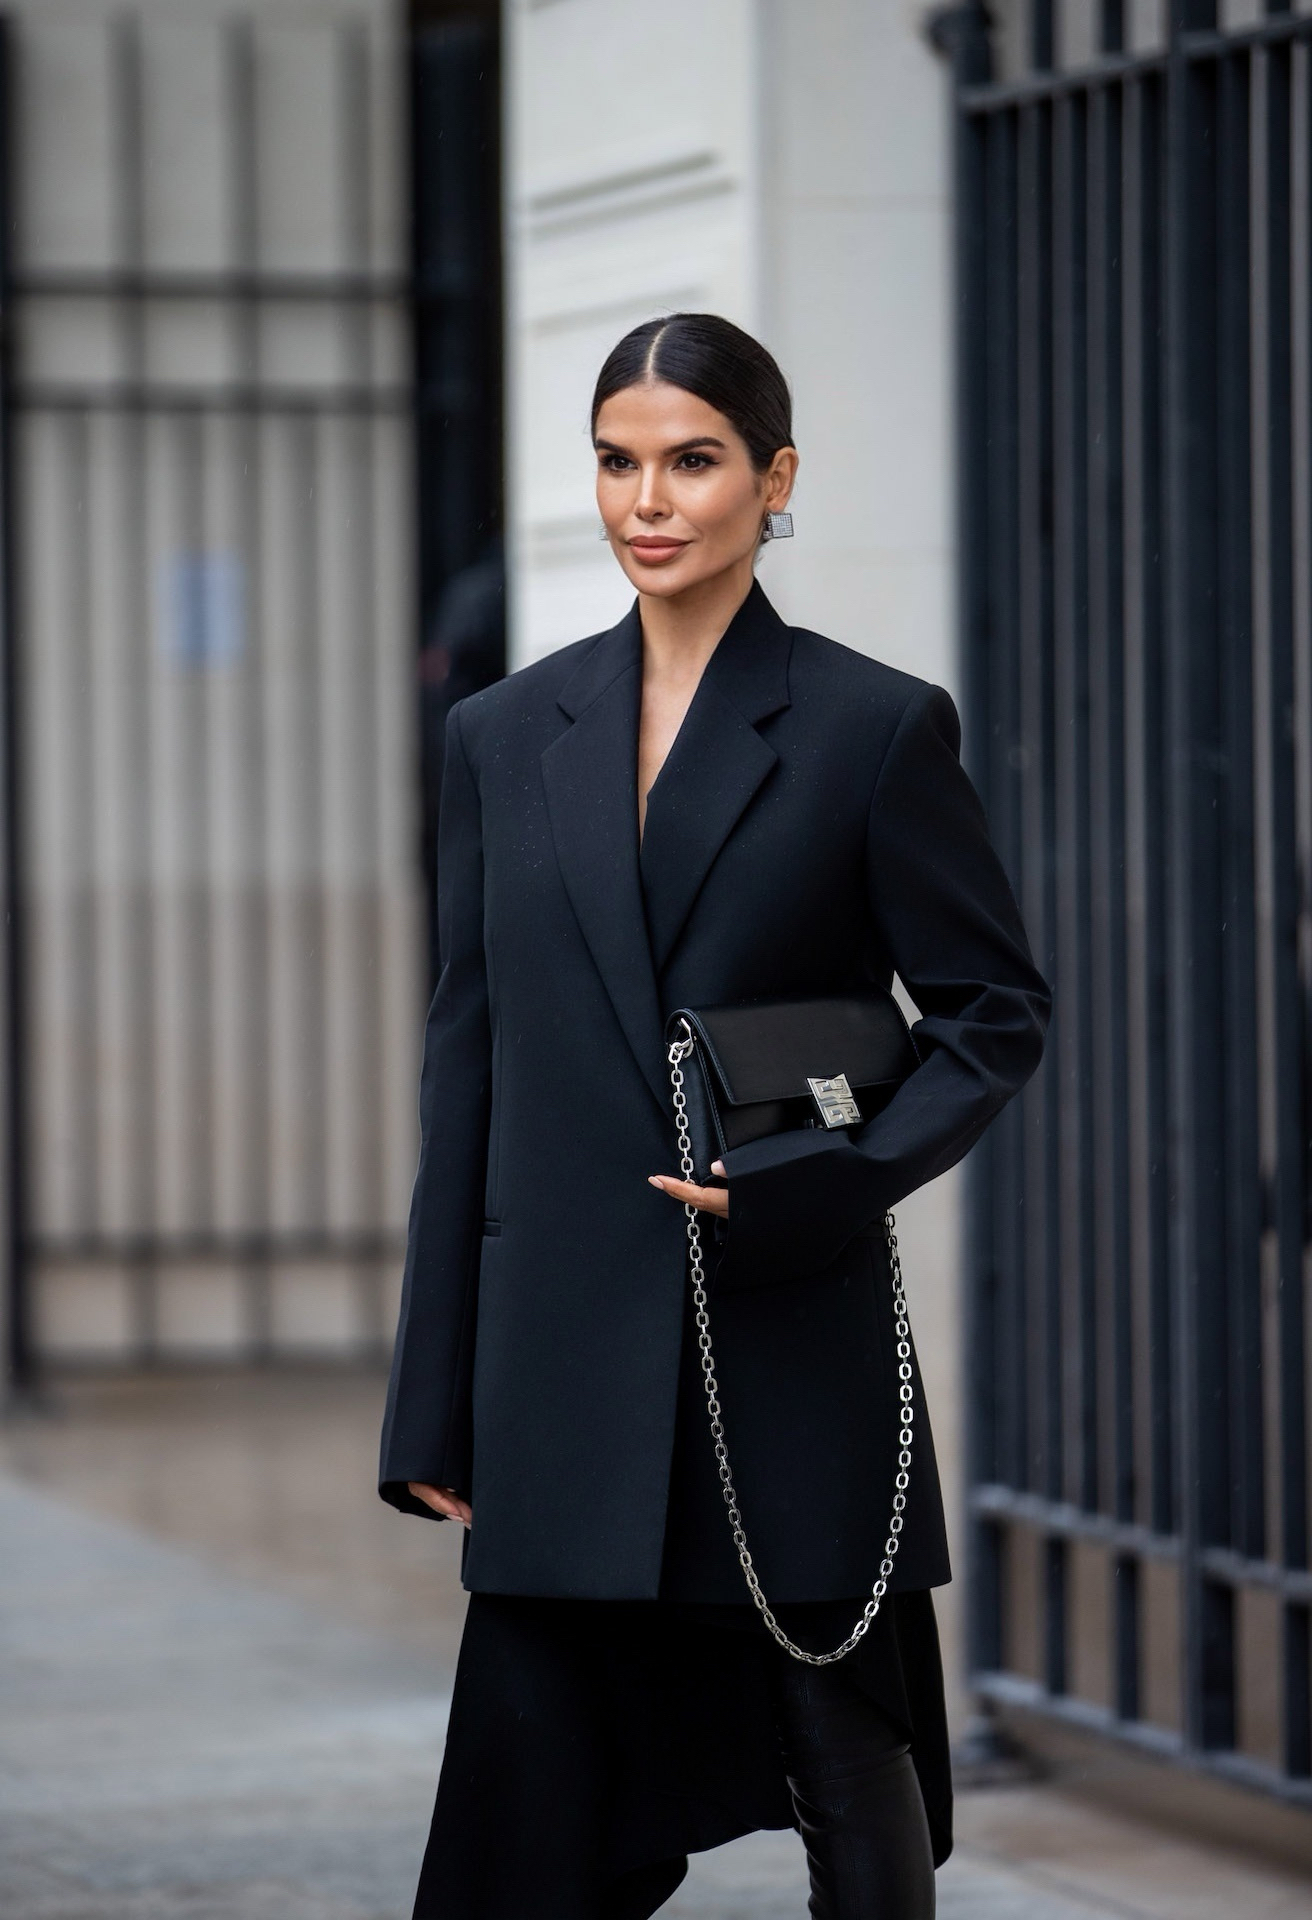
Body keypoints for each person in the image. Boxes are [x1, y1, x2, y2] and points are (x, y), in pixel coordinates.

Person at [379, 312, 1051, 1919]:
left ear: (776, 478)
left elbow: (990, 1014)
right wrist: (434, 1401)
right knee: (532, 1810)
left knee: (841, 1746)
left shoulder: (873, 727)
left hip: (777, 1325)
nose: (649, 500)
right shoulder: (501, 734)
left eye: (692, 461)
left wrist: (829, 1184)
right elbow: (464, 1059)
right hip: (562, 1357)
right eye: (618, 462)